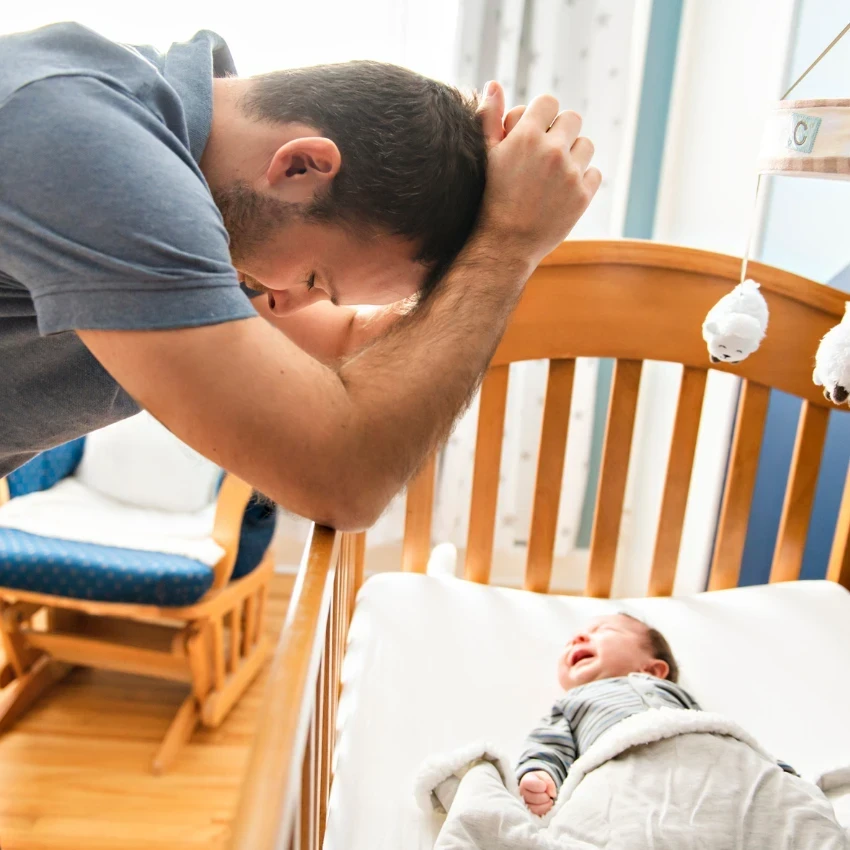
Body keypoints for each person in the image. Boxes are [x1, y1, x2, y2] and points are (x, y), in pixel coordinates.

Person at [0, 22, 600, 530]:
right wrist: (506, 245)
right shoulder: (93, 150)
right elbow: (343, 479)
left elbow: (348, 342)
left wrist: (503, 226)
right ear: (300, 166)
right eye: (316, 278)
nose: (287, 307)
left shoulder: (217, 184)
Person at [516, 613, 795, 816]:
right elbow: (548, 744)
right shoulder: (572, 702)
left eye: (604, 629)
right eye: (570, 642)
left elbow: (724, 736)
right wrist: (541, 775)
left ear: (652, 670)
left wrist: (775, 769)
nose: (577, 638)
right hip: (624, 777)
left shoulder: (675, 697)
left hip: (703, 765)